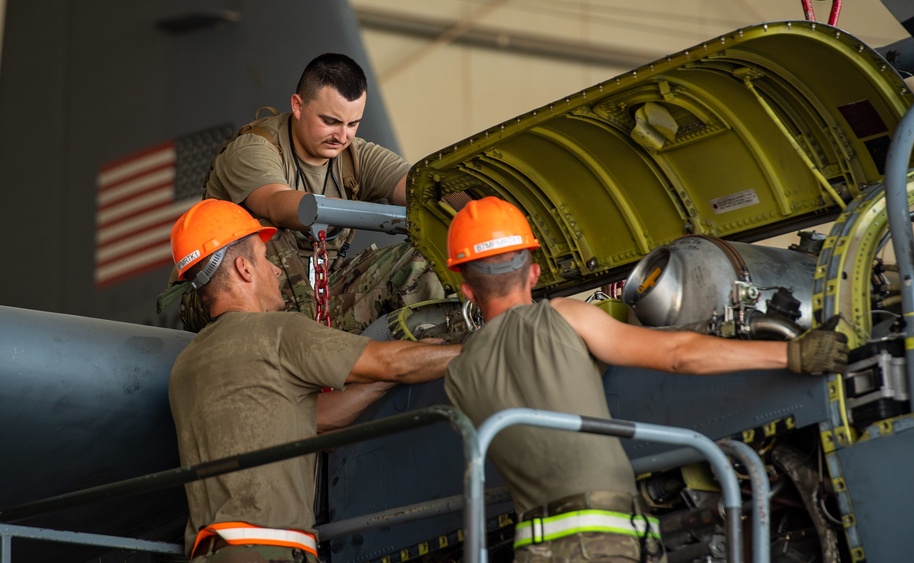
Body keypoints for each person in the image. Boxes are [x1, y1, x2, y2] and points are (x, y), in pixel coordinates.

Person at [442, 196, 849, 562]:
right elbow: (676, 355)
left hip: (532, 549)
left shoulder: (457, 375)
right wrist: (793, 352)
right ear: (533, 272)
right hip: (601, 540)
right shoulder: (564, 316)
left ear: (466, 288)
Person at [167, 199, 460, 562]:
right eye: (264, 258)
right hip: (268, 551)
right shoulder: (277, 333)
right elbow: (391, 362)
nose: (275, 271)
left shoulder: (186, 366)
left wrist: (376, 386)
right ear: (244, 268)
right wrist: (482, 351)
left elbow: (313, 419)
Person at [169, 52, 443, 334]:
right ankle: (309, 355)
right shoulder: (253, 149)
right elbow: (274, 202)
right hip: (218, 289)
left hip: (312, 297)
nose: (342, 136)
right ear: (298, 106)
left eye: (352, 124)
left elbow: (419, 188)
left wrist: (470, 203)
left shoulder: (355, 156)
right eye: (330, 121)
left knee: (421, 259)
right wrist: (334, 209)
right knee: (268, 234)